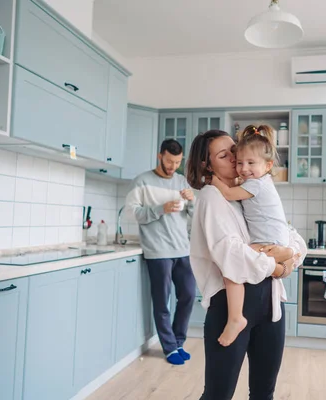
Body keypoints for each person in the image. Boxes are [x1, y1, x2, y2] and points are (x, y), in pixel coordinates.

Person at [186, 130, 307, 399]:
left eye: (234, 149)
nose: (234, 157)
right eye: (223, 154)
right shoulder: (211, 196)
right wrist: (278, 266)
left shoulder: (250, 190)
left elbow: (290, 234)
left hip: (271, 303)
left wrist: (289, 254)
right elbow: (232, 254)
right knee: (218, 393)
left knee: (264, 392)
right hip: (230, 306)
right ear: (207, 165)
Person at [211, 124, 290, 347]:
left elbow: (227, 193)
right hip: (274, 240)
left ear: (268, 165)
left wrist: (211, 178)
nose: (244, 168)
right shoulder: (258, 181)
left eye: (251, 163)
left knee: (232, 266)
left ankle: (236, 318)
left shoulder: (256, 185)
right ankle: (237, 317)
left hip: (269, 242)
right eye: (239, 163)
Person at [125, 139, 196, 366]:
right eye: (168, 161)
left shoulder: (181, 181)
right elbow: (131, 213)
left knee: (188, 295)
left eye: (177, 162)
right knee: (162, 301)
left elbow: (193, 214)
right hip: (157, 251)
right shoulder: (142, 181)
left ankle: (178, 341)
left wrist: (192, 200)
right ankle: (169, 347)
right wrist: (160, 209)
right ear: (159, 156)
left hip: (182, 249)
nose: (172, 166)